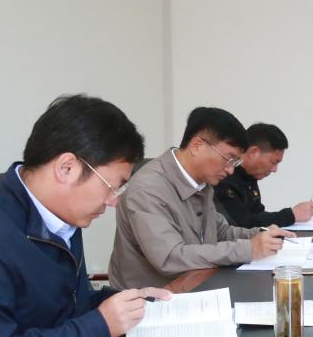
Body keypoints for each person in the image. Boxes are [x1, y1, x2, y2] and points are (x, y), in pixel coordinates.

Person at [0, 95, 171, 337]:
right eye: (112, 186)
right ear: (67, 168)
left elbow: (64, 305)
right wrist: (99, 325)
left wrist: (126, 302)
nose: (113, 201)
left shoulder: (59, 213)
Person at [109, 107, 293, 289]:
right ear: (197, 146)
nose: (231, 170)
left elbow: (221, 232)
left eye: (235, 162)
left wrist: (260, 234)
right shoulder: (148, 188)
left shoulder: (201, 182)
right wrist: (248, 249)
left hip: (196, 285)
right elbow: (170, 258)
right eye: (228, 159)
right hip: (150, 298)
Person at [214, 123, 313, 228]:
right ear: (254, 152)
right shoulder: (224, 177)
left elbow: (258, 214)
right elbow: (240, 223)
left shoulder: (249, 177)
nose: (275, 170)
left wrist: (291, 215)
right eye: (273, 162)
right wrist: (291, 215)